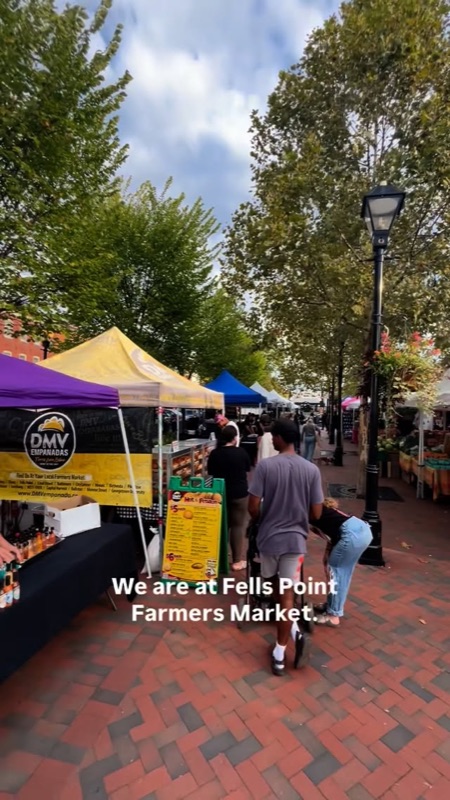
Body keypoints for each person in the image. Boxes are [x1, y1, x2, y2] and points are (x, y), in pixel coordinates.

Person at [248, 419, 323, 675]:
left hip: (269, 540)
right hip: (296, 541)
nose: (271, 440)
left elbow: (253, 506)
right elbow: (316, 511)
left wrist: (263, 517)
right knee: (286, 596)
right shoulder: (311, 470)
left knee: (274, 590)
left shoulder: (266, 468)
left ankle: (280, 652)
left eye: (273, 437)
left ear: (280, 438)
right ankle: (292, 636)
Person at [312, 498, 373, 627]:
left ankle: (333, 616)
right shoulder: (323, 508)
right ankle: (332, 606)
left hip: (351, 534)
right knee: (337, 571)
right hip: (360, 530)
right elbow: (331, 533)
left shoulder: (308, 509)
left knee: (336, 573)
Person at [208, 425, 251, 570]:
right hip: (240, 493)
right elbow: (247, 468)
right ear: (234, 438)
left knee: (222, 525)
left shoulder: (215, 454)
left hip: (219, 493)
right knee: (238, 526)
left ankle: (220, 557)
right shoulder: (241, 452)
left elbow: (211, 471)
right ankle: (237, 560)